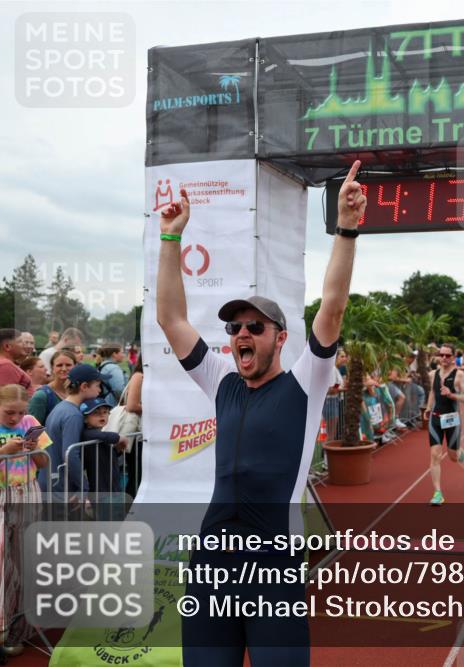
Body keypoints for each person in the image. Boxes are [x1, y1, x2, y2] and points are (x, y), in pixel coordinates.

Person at [157, 161, 365, 666]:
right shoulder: (221, 383)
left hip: (273, 567)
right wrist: (169, 239)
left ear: (280, 337)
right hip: (211, 567)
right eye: (234, 328)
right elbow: (171, 318)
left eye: (255, 325)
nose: (242, 334)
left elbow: (332, 309)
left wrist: (346, 229)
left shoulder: (305, 384)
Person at [0, 385, 51, 656]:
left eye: (20, 412)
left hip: (27, 492)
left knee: (24, 562)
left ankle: (14, 629)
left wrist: (32, 448)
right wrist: (2, 453)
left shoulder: (31, 423)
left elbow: (43, 463)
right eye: (9, 412)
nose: (15, 418)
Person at [43, 364, 104, 497]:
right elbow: (70, 454)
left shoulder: (62, 407)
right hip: (60, 484)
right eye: (97, 385)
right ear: (84, 386)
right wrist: (83, 486)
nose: (99, 390)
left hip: (50, 478)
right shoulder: (73, 415)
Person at [424, 343, 464, 505]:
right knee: (435, 455)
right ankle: (438, 493)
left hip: (452, 419)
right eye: (441, 355)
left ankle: (458, 451)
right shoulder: (433, 374)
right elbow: (432, 391)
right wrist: (428, 408)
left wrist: (452, 395)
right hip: (435, 419)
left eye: (447, 355)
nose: (444, 358)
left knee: (452, 457)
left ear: (453, 357)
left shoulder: (459, 375)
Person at [78, 397, 129, 518]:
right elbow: (108, 437)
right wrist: (119, 438)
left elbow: (109, 454)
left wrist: (118, 450)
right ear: (85, 418)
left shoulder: (101, 435)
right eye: (96, 413)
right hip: (101, 491)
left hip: (113, 486)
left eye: (105, 412)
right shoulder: (88, 434)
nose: (102, 415)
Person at [0, 329, 32, 411]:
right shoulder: (5, 366)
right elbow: (6, 402)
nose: (25, 345)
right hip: (11, 421)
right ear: (7, 346)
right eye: (20, 342)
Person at [27, 349, 76, 425]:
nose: (64, 369)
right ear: (52, 368)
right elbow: (32, 430)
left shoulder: (79, 392)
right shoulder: (41, 396)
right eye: (59, 365)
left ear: (75, 367)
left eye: (68, 365)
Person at [121, 355, 143, 499]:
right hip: (138, 438)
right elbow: (131, 406)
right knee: (137, 477)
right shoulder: (139, 376)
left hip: (144, 435)